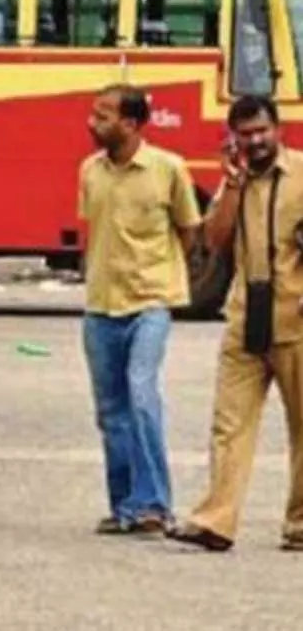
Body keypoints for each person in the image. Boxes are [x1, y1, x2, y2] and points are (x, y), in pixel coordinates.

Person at [169, 95, 303, 553]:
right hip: (246, 317)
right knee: (230, 424)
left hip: (295, 317)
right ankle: (216, 521)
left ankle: (300, 525)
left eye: (262, 131)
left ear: (279, 130)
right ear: (234, 139)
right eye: (246, 134)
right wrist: (231, 184)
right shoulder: (235, 180)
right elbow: (215, 240)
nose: (256, 141)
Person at [78, 84, 201, 536]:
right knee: (111, 410)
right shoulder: (90, 171)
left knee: (142, 395)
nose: (93, 123)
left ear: (130, 124)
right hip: (100, 305)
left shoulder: (169, 169)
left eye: (103, 116)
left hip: (150, 300)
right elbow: (92, 231)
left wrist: (163, 275)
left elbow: (189, 230)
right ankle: (125, 506)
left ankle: (153, 504)